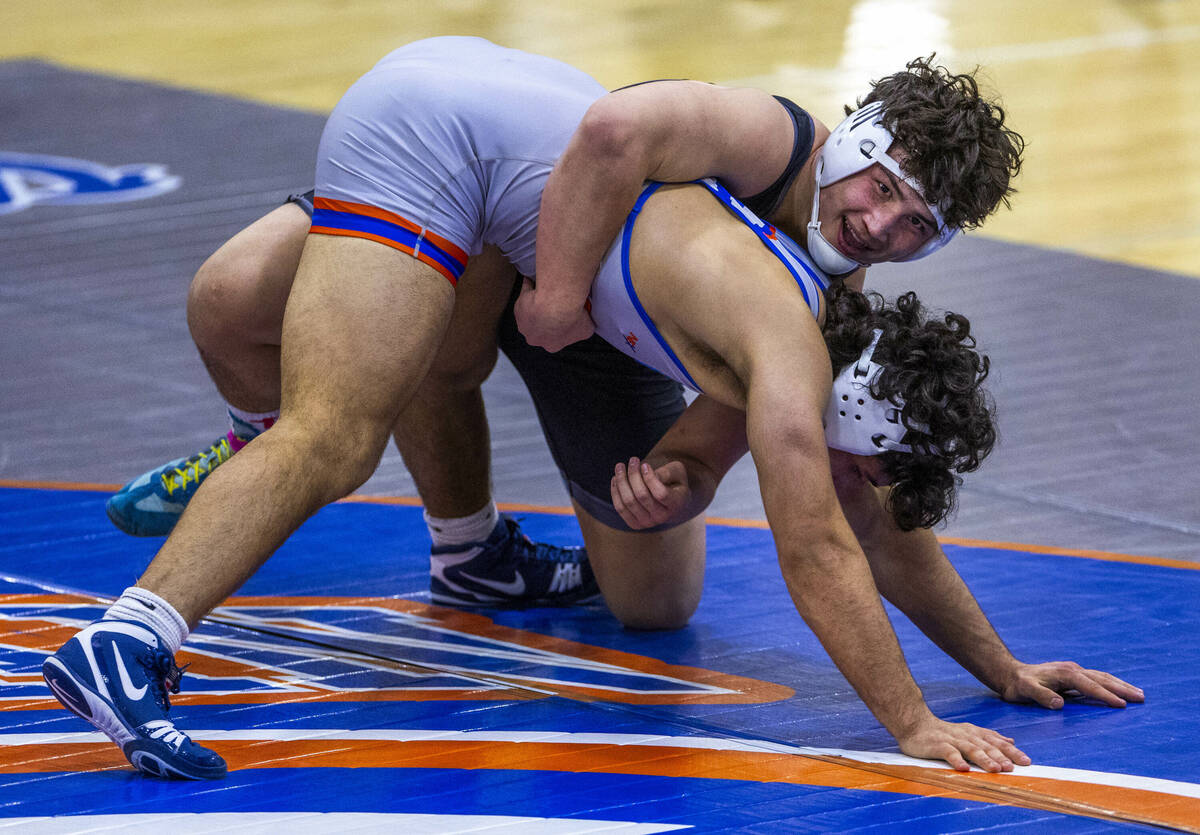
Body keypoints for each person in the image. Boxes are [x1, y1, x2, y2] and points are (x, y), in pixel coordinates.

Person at [43, 38, 1138, 783]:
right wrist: (911, 720)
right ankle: (128, 640)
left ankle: (464, 552)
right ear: (859, 141)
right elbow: (820, 544)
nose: (889, 226)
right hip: (466, 150)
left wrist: (999, 668)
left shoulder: (824, 331)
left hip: (536, 224)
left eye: (922, 226)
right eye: (888, 190)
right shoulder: (773, 194)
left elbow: (876, 527)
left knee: (651, 589)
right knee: (329, 432)